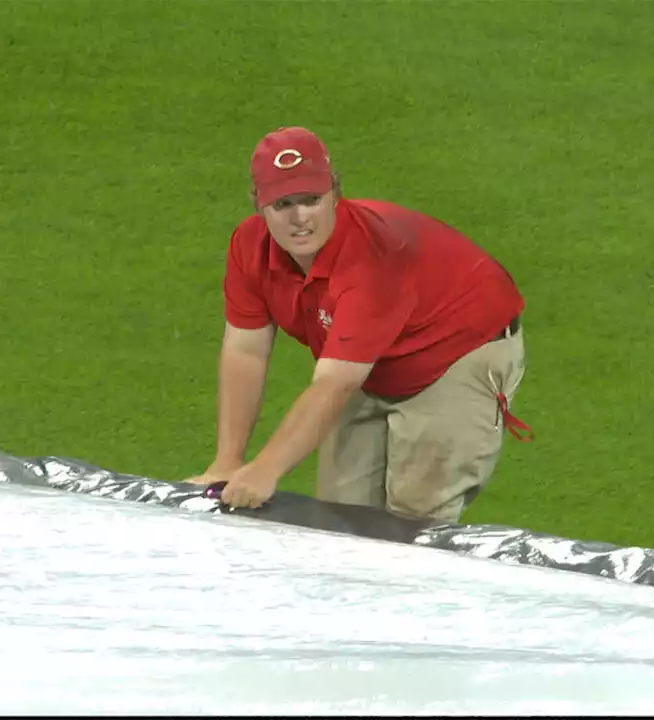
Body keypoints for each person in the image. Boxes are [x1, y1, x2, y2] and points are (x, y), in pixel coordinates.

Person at [184, 126, 533, 524]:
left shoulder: (371, 257)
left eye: (311, 200)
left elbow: (336, 382)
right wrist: (228, 460)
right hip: (370, 358)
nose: (300, 219)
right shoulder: (250, 247)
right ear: (259, 206)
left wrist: (266, 469)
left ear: (335, 193)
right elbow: (246, 351)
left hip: (456, 351)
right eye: (283, 205)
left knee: (414, 521)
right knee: (338, 518)